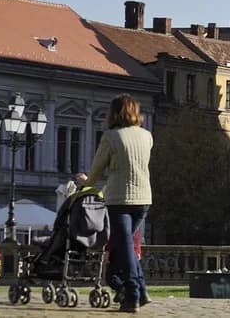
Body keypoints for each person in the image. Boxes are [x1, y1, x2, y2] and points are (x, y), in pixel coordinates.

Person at [84, 94, 153, 312]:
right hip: (144, 199)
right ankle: (141, 291)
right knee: (127, 247)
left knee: (125, 248)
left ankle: (133, 295)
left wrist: (85, 185)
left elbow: (97, 169)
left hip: (119, 200)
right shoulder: (147, 136)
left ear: (114, 113)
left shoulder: (111, 137)